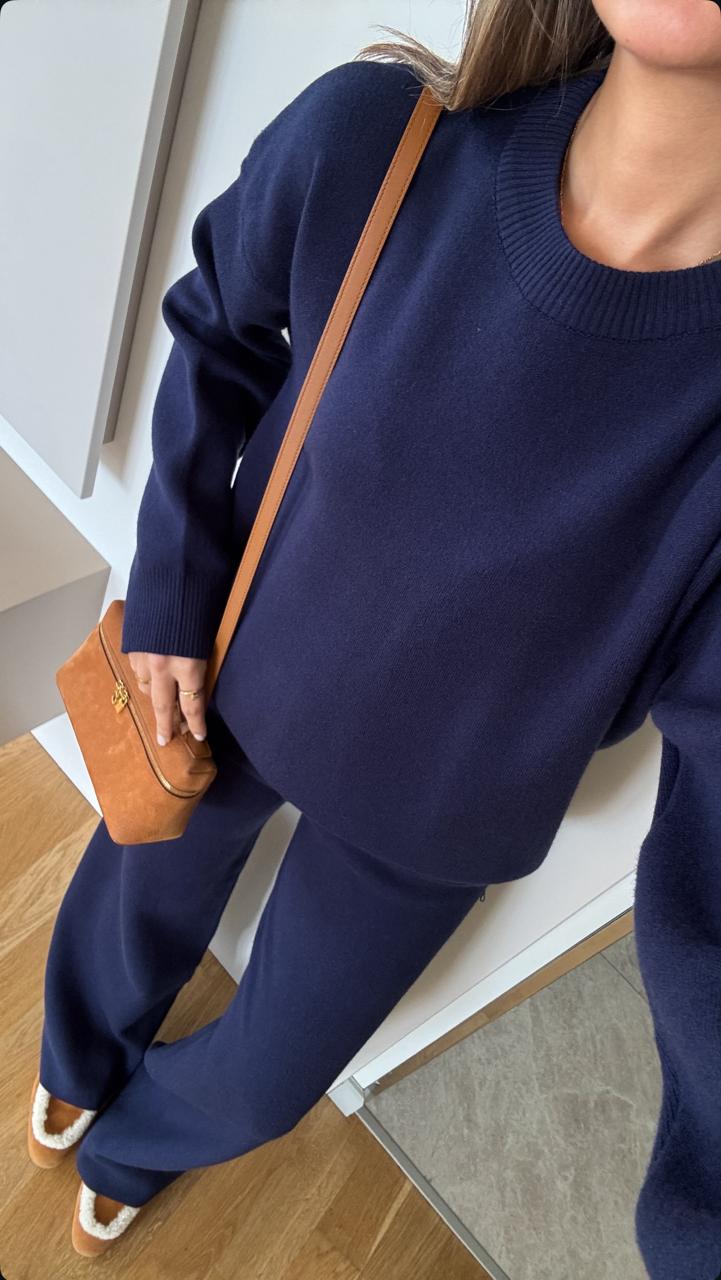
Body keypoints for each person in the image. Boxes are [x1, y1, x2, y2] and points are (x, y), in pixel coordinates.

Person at [28, 3, 721, 1275]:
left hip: (444, 814)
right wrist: (171, 590)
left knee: (269, 1072)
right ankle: (76, 1054)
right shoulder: (380, 143)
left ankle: (136, 1145)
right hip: (231, 675)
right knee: (131, 896)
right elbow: (218, 326)